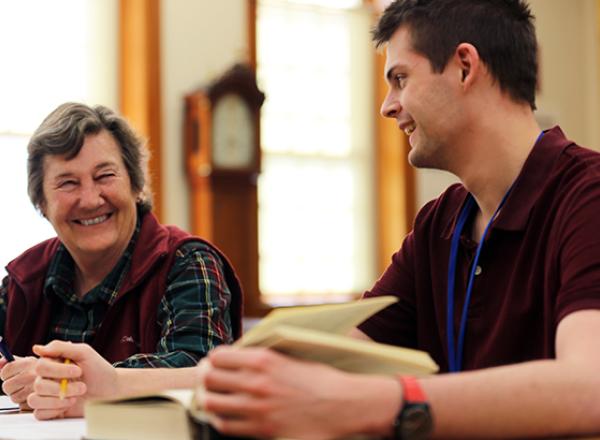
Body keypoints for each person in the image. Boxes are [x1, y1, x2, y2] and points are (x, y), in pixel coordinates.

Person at [25, 0, 600, 437]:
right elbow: (304, 358)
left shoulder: (587, 196)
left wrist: (370, 403)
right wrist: (119, 383)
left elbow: (589, 386)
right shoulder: (441, 224)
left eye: (400, 77)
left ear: (465, 66)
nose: (387, 105)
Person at [0, 102, 242, 419]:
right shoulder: (25, 278)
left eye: (105, 176)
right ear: (42, 202)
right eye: (68, 183)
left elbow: (202, 368)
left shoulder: (187, 262)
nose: (89, 199)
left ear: (137, 186)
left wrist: (66, 380)